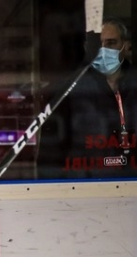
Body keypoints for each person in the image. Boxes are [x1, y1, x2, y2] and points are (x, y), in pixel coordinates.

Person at [37, 17, 137, 178]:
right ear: (87, 48)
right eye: (98, 45)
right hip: (85, 184)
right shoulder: (71, 89)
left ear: (126, 46)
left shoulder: (134, 84)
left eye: (111, 43)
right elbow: (51, 154)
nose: (104, 50)